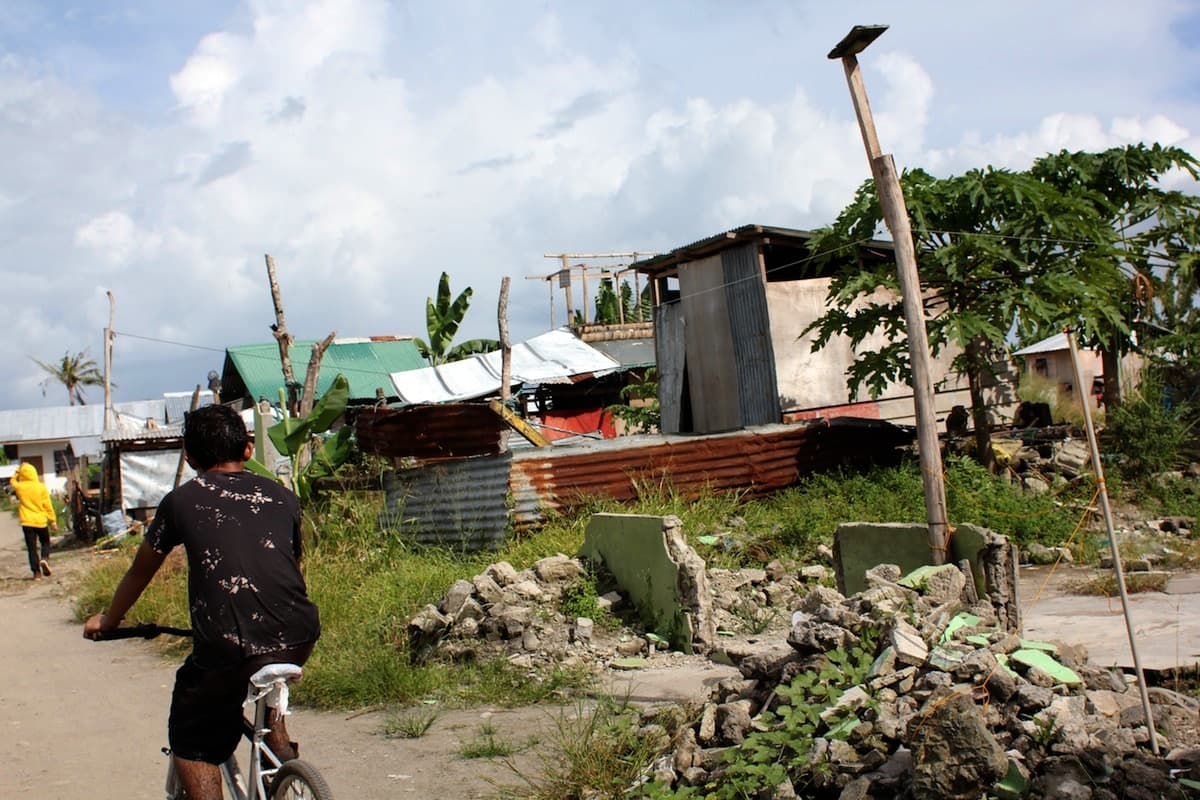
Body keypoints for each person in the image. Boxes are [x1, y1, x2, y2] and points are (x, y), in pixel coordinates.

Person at [84, 404, 320, 800]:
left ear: (189, 457)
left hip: (228, 643)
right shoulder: (283, 497)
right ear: (248, 450)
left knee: (193, 739)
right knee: (264, 675)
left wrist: (109, 620)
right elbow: (293, 571)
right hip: (299, 633)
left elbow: (141, 572)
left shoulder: (181, 501)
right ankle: (278, 755)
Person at [11, 462, 58, 579]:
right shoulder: (40, 487)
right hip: (40, 521)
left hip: (27, 522)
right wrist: (52, 521)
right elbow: (48, 505)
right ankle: (44, 558)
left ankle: (36, 573)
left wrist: (18, 471)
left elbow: (12, 481)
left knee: (31, 548)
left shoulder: (20, 487)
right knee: (45, 542)